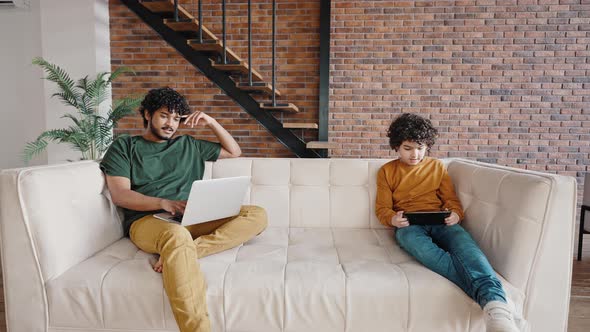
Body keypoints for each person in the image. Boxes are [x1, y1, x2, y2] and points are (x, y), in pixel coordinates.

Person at [100, 87, 268, 332]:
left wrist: (210, 121)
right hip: (149, 221)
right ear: (147, 114)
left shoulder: (189, 144)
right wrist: (162, 203)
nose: (171, 124)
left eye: (177, 119)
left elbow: (234, 151)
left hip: (191, 217)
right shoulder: (125, 146)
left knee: (257, 214)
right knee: (176, 236)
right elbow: (120, 195)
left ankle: (188, 250)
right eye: (165, 116)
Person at [375, 113, 526, 332]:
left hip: (441, 220)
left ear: (427, 146)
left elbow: (451, 201)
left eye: (420, 147)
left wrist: (455, 214)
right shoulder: (387, 171)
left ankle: (497, 310)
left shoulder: (436, 167)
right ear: (396, 147)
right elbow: (382, 209)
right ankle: (495, 301)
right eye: (408, 148)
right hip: (409, 226)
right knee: (417, 245)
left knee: (470, 253)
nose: (415, 154)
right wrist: (393, 219)